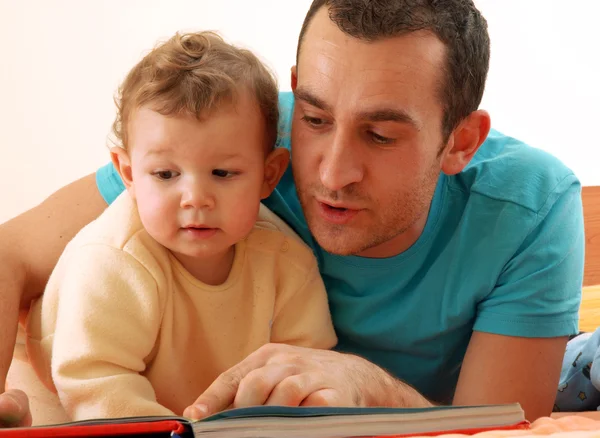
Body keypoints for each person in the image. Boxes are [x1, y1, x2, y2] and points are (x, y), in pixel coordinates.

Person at [0, 0, 583, 426]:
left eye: (379, 136)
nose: (331, 173)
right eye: (315, 118)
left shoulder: (533, 208)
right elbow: (11, 253)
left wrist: (369, 385)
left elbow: (500, 424)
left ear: (460, 141)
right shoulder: (232, 143)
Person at [20, 31, 337, 423]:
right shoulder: (113, 261)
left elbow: (307, 368)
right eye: (166, 174)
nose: (195, 198)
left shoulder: (287, 262)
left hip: (184, 408)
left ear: (268, 176)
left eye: (223, 173)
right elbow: (96, 382)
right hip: (58, 393)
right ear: (129, 174)